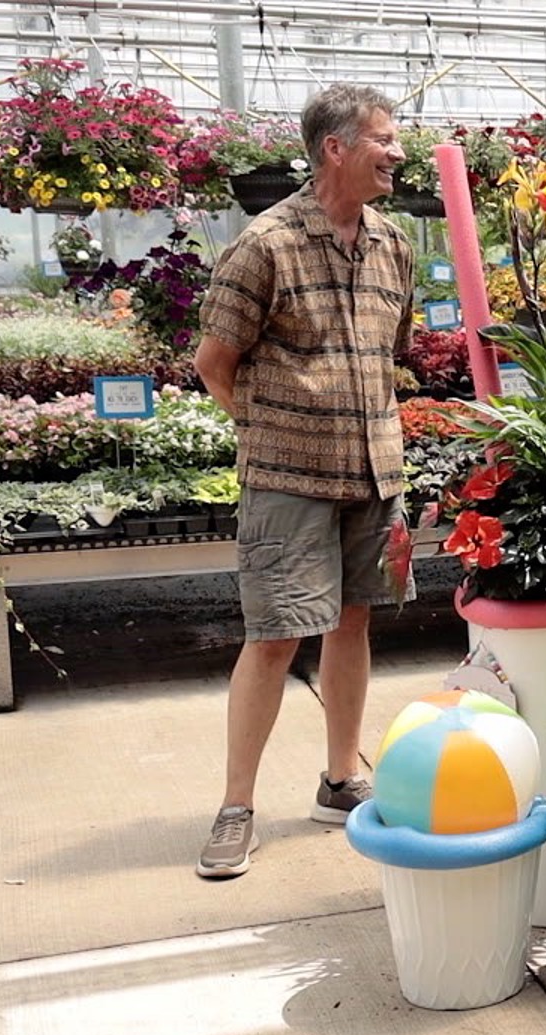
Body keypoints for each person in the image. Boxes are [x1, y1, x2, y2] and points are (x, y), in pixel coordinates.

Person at [190, 84, 417, 878]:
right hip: (288, 477)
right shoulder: (266, 243)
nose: (397, 153)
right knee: (275, 633)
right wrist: (270, 431)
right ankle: (236, 807)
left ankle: (339, 778)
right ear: (336, 148)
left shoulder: (393, 244)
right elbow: (213, 364)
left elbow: (392, 355)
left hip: (374, 469)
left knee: (352, 622)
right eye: (384, 140)